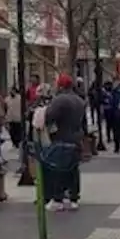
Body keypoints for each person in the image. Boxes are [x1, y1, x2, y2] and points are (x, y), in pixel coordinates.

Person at [43, 73, 87, 211]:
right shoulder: (79, 100)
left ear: (60, 85)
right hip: (76, 138)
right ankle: (73, 198)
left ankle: (58, 198)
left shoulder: (60, 100)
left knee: (58, 169)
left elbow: (49, 116)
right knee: (73, 169)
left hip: (62, 138)